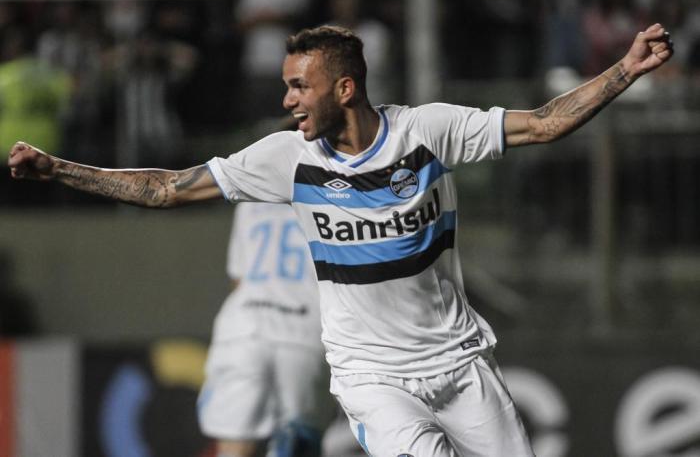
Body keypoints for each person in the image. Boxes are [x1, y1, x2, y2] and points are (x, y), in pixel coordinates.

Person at [8, 23, 673, 456]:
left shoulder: (428, 132)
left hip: (462, 359)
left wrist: (627, 69)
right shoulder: (284, 158)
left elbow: (546, 124)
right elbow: (166, 187)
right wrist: (60, 168)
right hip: (372, 375)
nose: (289, 101)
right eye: (286, 87)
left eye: (300, 87)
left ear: (345, 88)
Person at [197, 202, 332, 457]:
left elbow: (238, 278)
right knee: (299, 441)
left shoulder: (251, 195)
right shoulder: (331, 191)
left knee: (233, 445)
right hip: (305, 330)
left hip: (244, 326)